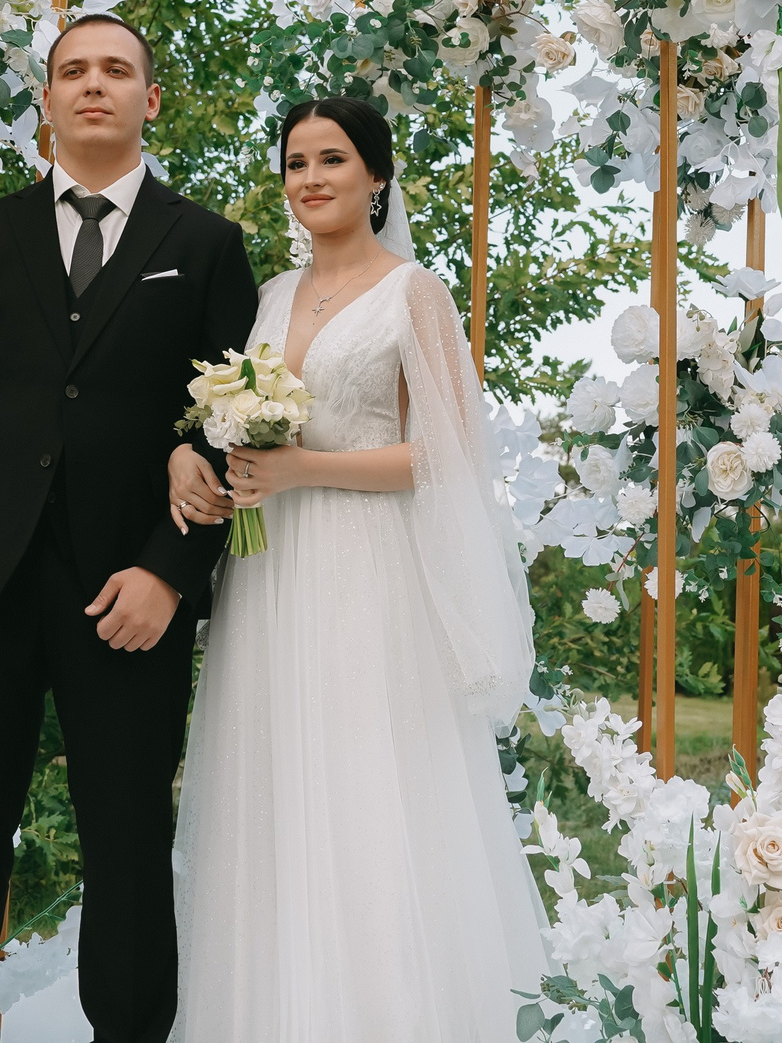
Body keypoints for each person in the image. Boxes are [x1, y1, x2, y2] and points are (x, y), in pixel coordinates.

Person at [0, 14, 259, 1043]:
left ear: (150, 100)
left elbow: (235, 421)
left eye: (117, 70)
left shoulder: (206, 244)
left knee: (130, 839)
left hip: (127, 595)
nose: (94, 84)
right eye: (72, 71)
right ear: (46, 101)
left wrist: (170, 572)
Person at [166, 96, 547, 1041]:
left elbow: (445, 454)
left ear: (376, 175)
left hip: (365, 573)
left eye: (332, 159)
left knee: (364, 784)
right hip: (267, 576)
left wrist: (302, 468)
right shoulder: (268, 299)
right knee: (272, 784)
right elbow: (233, 423)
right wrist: (211, 460)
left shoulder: (414, 292)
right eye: (296, 162)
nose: (311, 178)